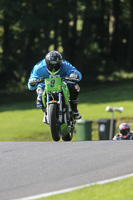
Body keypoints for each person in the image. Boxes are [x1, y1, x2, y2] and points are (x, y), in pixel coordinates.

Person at [28, 50, 82, 120]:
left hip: (63, 83)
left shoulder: (65, 64)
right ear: (46, 62)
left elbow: (75, 72)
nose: (53, 67)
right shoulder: (38, 67)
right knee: (39, 99)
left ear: (60, 62)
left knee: (74, 87)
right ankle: (46, 112)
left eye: (56, 65)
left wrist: (74, 75)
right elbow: (32, 81)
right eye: (51, 65)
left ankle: (75, 110)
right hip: (44, 85)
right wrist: (33, 81)